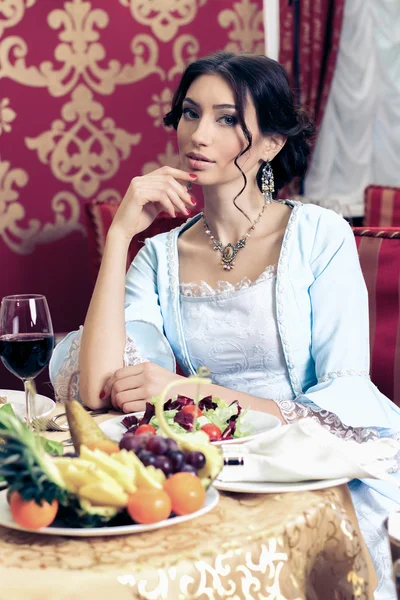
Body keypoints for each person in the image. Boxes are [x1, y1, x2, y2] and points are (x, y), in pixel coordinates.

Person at [50, 51, 400, 598]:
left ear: (271, 144)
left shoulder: (319, 236)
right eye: (190, 113)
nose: (199, 134)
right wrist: (120, 236)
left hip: (313, 469)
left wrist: (191, 391)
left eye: (227, 118)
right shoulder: (159, 256)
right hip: (210, 471)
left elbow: (341, 403)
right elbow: (96, 391)